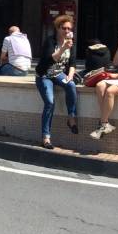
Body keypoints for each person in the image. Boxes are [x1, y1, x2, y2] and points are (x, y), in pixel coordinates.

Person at [34, 14, 78, 149]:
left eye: (69, 29)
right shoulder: (50, 41)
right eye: (64, 28)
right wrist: (63, 48)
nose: (67, 31)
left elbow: (72, 63)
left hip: (58, 74)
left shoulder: (71, 43)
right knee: (50, 102)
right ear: (58, 28)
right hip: (44, 75)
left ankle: (71, 118)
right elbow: (49, 60)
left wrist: (70, 75)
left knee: (70, 85)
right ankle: (46, 137)